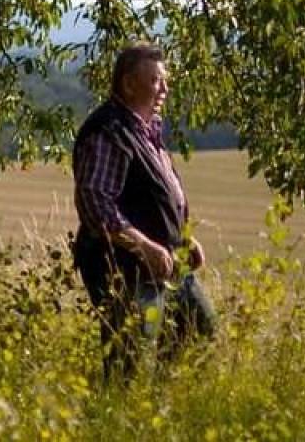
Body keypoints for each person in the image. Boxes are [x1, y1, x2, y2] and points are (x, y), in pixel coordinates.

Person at [70, 43, 214, 373]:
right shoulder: (110, 131)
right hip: (125, 267)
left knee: (199, 333)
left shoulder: (145, 128)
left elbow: (156, 195)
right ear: (129, 83)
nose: (164, 88)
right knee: (128, 363)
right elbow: (96, 203)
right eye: (155, 81)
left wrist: (183, 238)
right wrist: (145, 246)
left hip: (166, 261)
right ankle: (120, 419)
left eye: (164, 81)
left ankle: (161, 410)